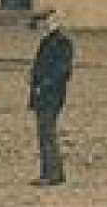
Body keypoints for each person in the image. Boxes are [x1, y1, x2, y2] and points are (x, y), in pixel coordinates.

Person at [27, 10, 74, 186]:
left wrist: (43, 84)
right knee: (44, 133)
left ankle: (51, 174)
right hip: (42, 94)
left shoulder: (63, 43)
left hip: (52, 95)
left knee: (47, 133)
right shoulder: (46, 42)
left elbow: (61, 71)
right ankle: (53, 172)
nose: (43, 25)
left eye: (47, 21)